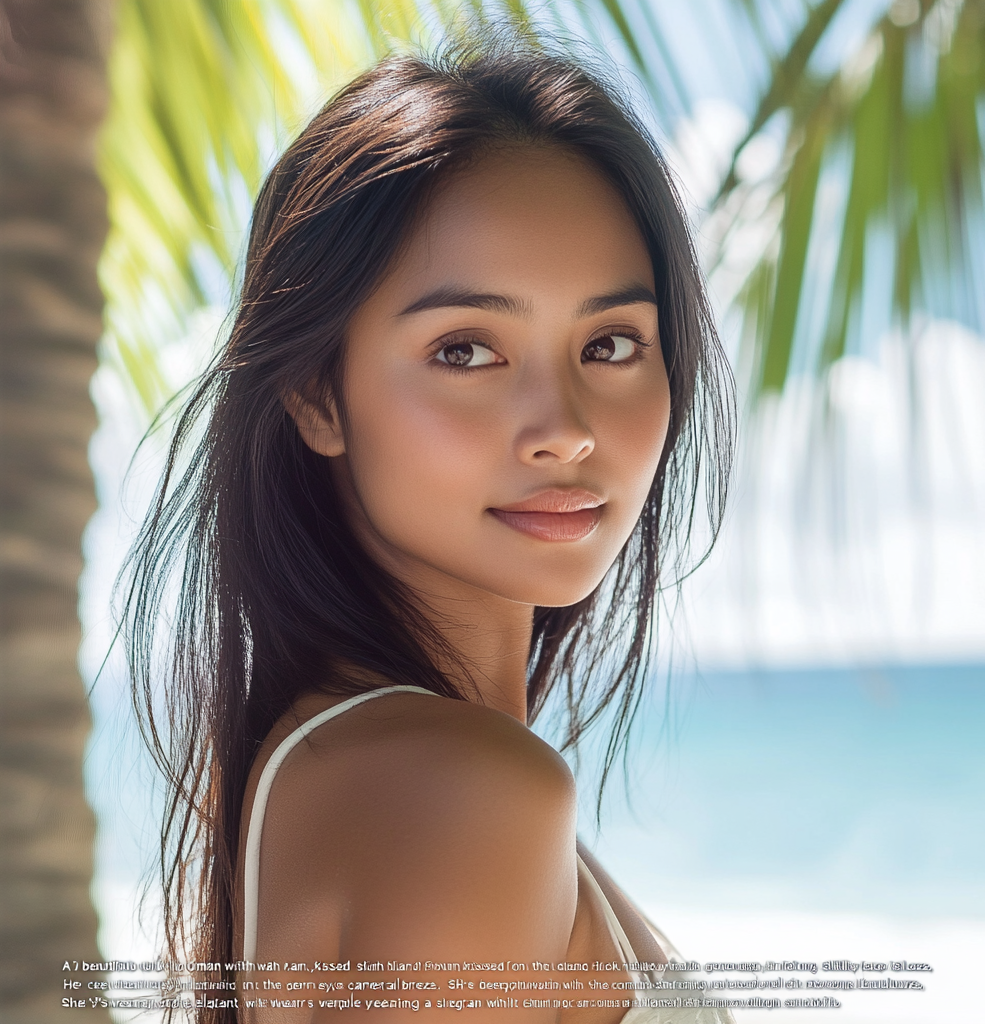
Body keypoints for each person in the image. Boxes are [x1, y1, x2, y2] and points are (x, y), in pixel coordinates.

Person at [123, 38, 733, 1024]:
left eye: (611, 343)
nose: (567, 428)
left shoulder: (334, 763)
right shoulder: (467, 793)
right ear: (318, 394)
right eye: (466, 350)